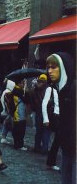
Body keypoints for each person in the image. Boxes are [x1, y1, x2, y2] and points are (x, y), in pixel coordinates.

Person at [46, 52, 76, 184]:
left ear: (63, 68)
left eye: (54, 67)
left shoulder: (74, 88)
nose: (49, 71)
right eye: (48, 68)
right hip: (66, 147)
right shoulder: (60, 89)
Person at [29, 73, 50, 153]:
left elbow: (32, 103)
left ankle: (37, 147)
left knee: (38, 132)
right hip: (46, 114)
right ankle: (44, 149)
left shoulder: (34, 90)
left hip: (38, 113)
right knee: (46, 132)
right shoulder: (47, 89)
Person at [42, 79, 60, 171]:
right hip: (55, 117)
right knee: (57, 140)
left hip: (62, 117)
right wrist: (45, 118)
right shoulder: (50, 89)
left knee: (58, 140)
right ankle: (51, 162)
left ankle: (51, 162)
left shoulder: (62, 89)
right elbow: (44, 104)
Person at [7, 79, 29, 150]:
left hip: (16, 113)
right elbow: (26, 99)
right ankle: (20, 145)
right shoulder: (19, 91)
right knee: (20, 130)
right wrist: (26, 91)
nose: (23, 85)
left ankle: (17, 144)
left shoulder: (14, 90)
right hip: (19, 113)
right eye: (22, 83)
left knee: (16, 129)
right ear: (19, 84)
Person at [0, 79, 15, 144]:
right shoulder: (8, 92)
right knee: (10, 125)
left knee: (6, 125)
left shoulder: (5, 91)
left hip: (3, 112)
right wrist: (10, 112)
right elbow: (8, 104)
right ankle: (15, 139)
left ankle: (3, 138)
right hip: (6, 112)